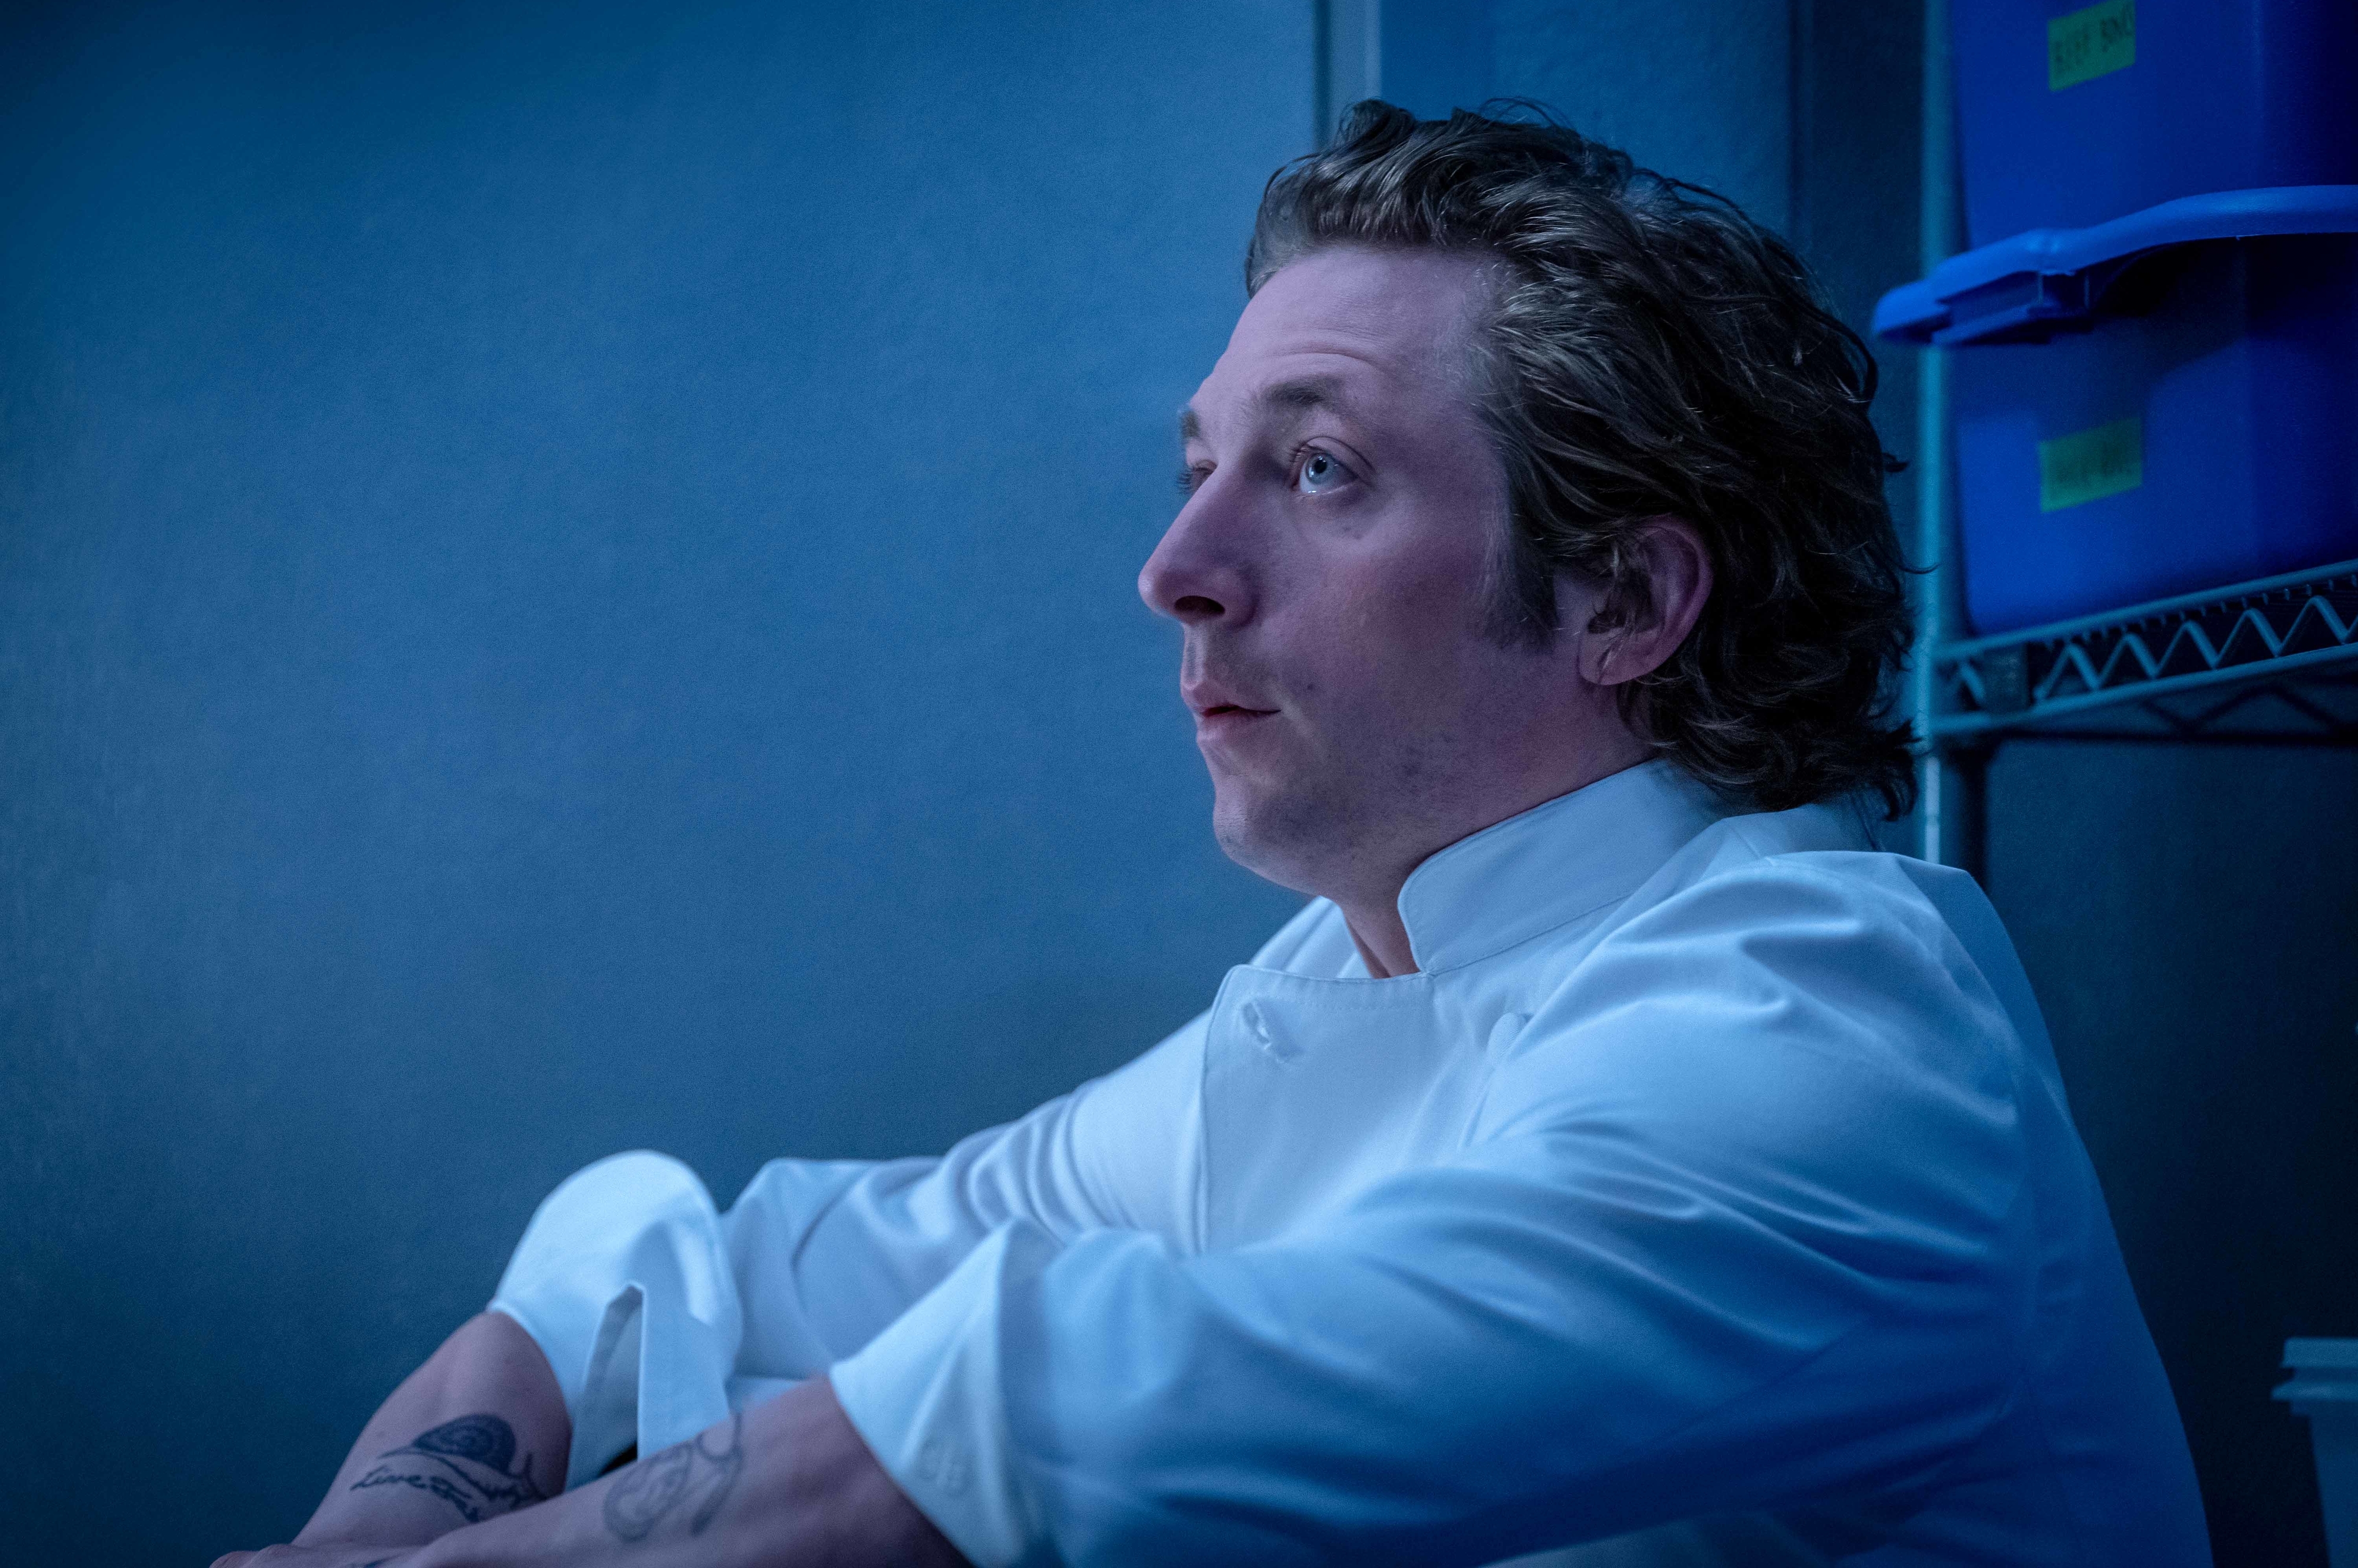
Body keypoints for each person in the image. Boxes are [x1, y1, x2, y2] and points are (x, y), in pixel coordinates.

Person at [215, 103, 2210, 1568]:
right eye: (1201, 471)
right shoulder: (1334, 991)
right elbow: (694, 1259)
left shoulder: (1839, 1020)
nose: (1176, 568)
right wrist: (374, 1530)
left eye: (1321, 471)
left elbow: (1034, 1423)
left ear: (1626, 600)